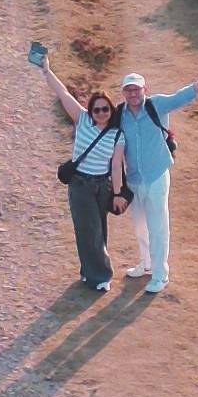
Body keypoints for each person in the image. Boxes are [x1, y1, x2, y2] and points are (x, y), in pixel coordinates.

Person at [108, 63, 198, 293]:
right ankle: (146, 264)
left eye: (137, 89)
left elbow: (181, 97)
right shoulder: (119, 114)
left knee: (158, 226)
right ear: (123, 92)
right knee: (139, 226)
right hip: (133, 179)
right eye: (129, 90)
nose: (133, 94)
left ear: (145, 89)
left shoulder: (156, 105)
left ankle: (160, 274)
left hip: (156, 175)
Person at [30, 47, 124, 293]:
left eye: (106, 109)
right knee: (87, 228)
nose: (101, 113)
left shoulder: (116, 134)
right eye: (97, 109)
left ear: (111, 111)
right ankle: (101, 275)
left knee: (98, 229)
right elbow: (61, 92)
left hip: (102, 185)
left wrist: (117, 193)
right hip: (80, 185)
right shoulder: (81, 118)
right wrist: (46, 68)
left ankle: (89, 271)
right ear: (90, 110)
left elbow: (116, 165)